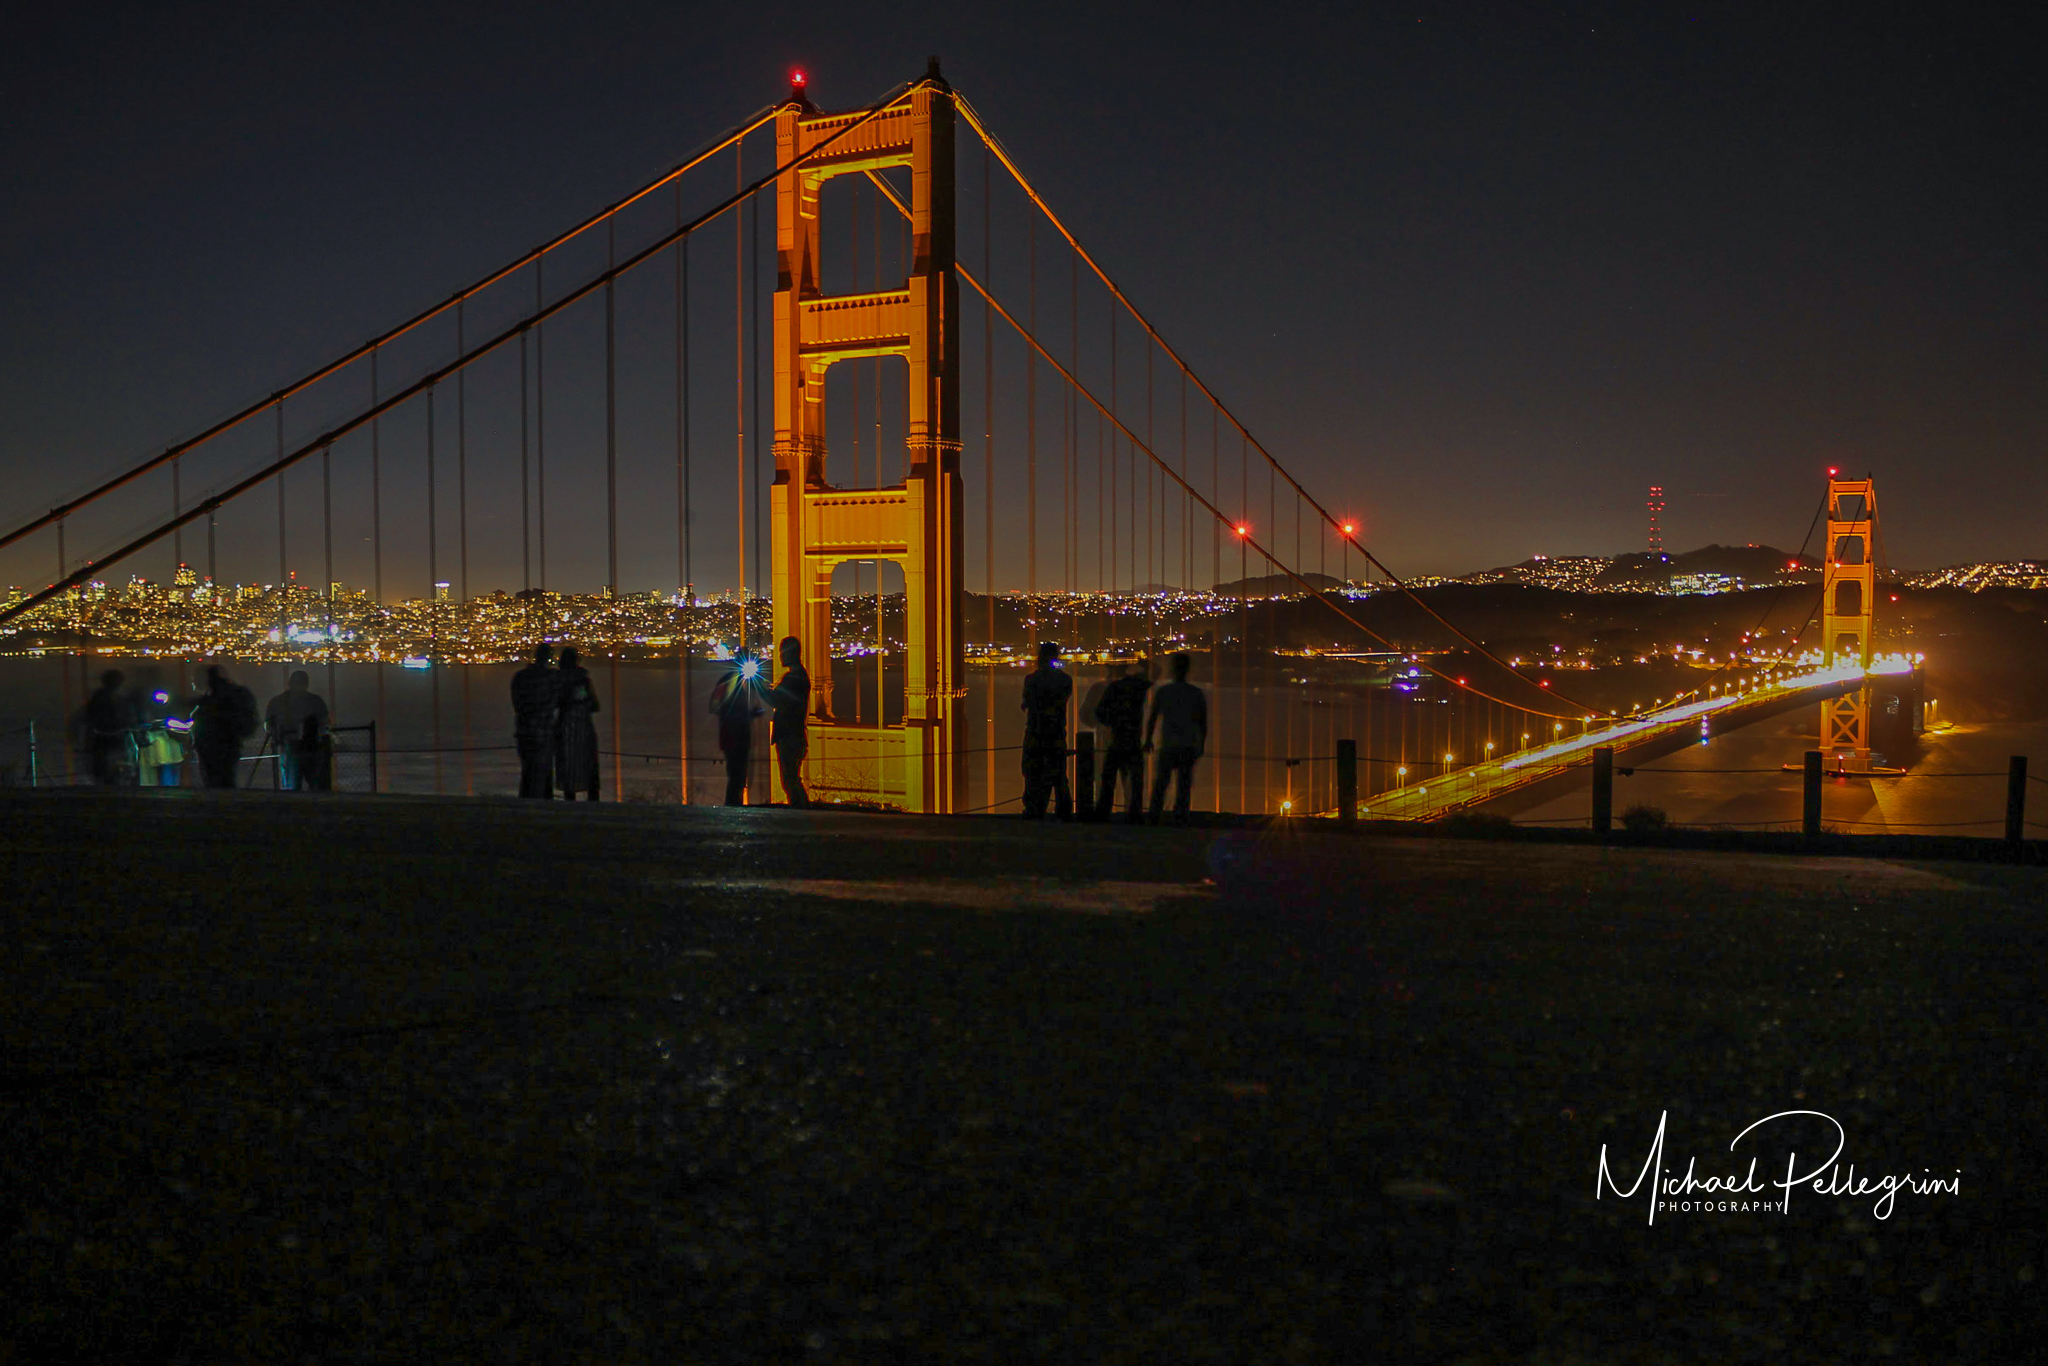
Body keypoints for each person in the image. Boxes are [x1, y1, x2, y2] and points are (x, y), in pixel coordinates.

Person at [1145, 651, 1209, 824]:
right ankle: (1180, 817)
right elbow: (1202, 723)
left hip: (1168, 744)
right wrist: (1201, 744)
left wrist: (1148, 740)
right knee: (1184, 785)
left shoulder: (1164, 691)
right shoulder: (1195, 694)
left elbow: (1153, 718)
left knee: (1161, 783)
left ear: (1173, 669)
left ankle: (1154, 816)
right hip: (1187, 745)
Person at [1019, 640, 1074, 819]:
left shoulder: (1032, 679)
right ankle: (1064, 811)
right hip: (1057, 732)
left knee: (1033, 772)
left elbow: (1026, 704)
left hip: (1035, 732)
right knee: (1058, 774)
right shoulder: (1065, 680)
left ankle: (1034, 808)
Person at [1093, 659, 1152, 822]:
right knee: (1136, 779)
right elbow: (1155, 673)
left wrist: (1112, 723)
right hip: (1133, 739)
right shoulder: (1139, 689)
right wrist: (1145, 664)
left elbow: (1099, 711)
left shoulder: (1114, 688)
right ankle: (1135, 813)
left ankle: (1103, 812)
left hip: (1117, 737)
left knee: (1109, 778)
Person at [190, 665, 258, 789]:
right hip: (230, 743)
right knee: (227, 778)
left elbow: (204, 718)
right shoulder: (235, 693)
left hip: (212, 744)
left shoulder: (212, 699)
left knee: (213, 779)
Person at [709, 657, 765, 807]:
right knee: (737, 776)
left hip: (737, 736)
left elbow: (714, 706)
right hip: (734, 736)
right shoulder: (732, 683)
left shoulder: (743, 683)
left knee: (738, 776)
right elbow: (714, 706)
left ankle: (734, 806)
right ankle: (733, 807)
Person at [264, 670, 330, 792]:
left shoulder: (276, 702)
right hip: (312, 748)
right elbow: (324, 724)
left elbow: (268, 726)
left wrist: (277, 736)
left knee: (291, 785)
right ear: (306, 683)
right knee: (316, 785)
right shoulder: (315, 701)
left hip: (288, 747)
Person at [509, 642, 560, 798]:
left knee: (527, 771)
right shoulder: (552, 678)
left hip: (524, 731)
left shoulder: (519, 677)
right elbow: (556, 701)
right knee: (543, 772)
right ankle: (543, 808)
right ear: (549, 658)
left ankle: (525, 806)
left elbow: (516, 704)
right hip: (544, 732)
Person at [553, 647, 600, 800]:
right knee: (588, 762)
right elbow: (595, 705)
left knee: (567, 763)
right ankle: (593, 798)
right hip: (584, 726)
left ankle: (569, 797)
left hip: (565, 726)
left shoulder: (557, 680)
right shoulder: (583, 680)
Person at [769, 636, 811, 808]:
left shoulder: (794, 679)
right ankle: (802, 809)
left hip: (789, 736)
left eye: (782, 652)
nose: (780, 656)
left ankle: (800, 811)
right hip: (794, 735)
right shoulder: (798, 677)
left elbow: (777, 700)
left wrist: (757, 688)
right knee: (791, 778)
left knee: (789, 779)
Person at [81, 669, 135, 786]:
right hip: (113, 738)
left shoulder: (99, 697)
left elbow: (89, 717)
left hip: (106, 739)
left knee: (105, 771)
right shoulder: (120, 698)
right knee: (111, 769)